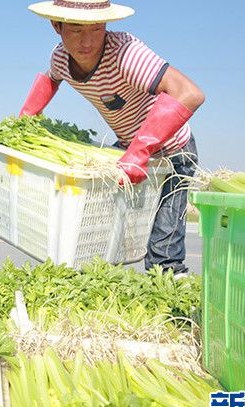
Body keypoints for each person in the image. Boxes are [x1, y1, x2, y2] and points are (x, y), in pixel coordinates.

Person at [20, 0, 205, 276]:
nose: (87, 41)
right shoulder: (61, 58)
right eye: (76, 30)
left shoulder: (124, 54)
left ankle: (176, 309)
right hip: (128, 151)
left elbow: (189, 93)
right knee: (108, 240)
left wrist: (140, 151)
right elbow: (52, 78)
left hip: (172, 153)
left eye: (96, 29)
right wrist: (24, 118)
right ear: (56, 26)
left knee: (163, 251)